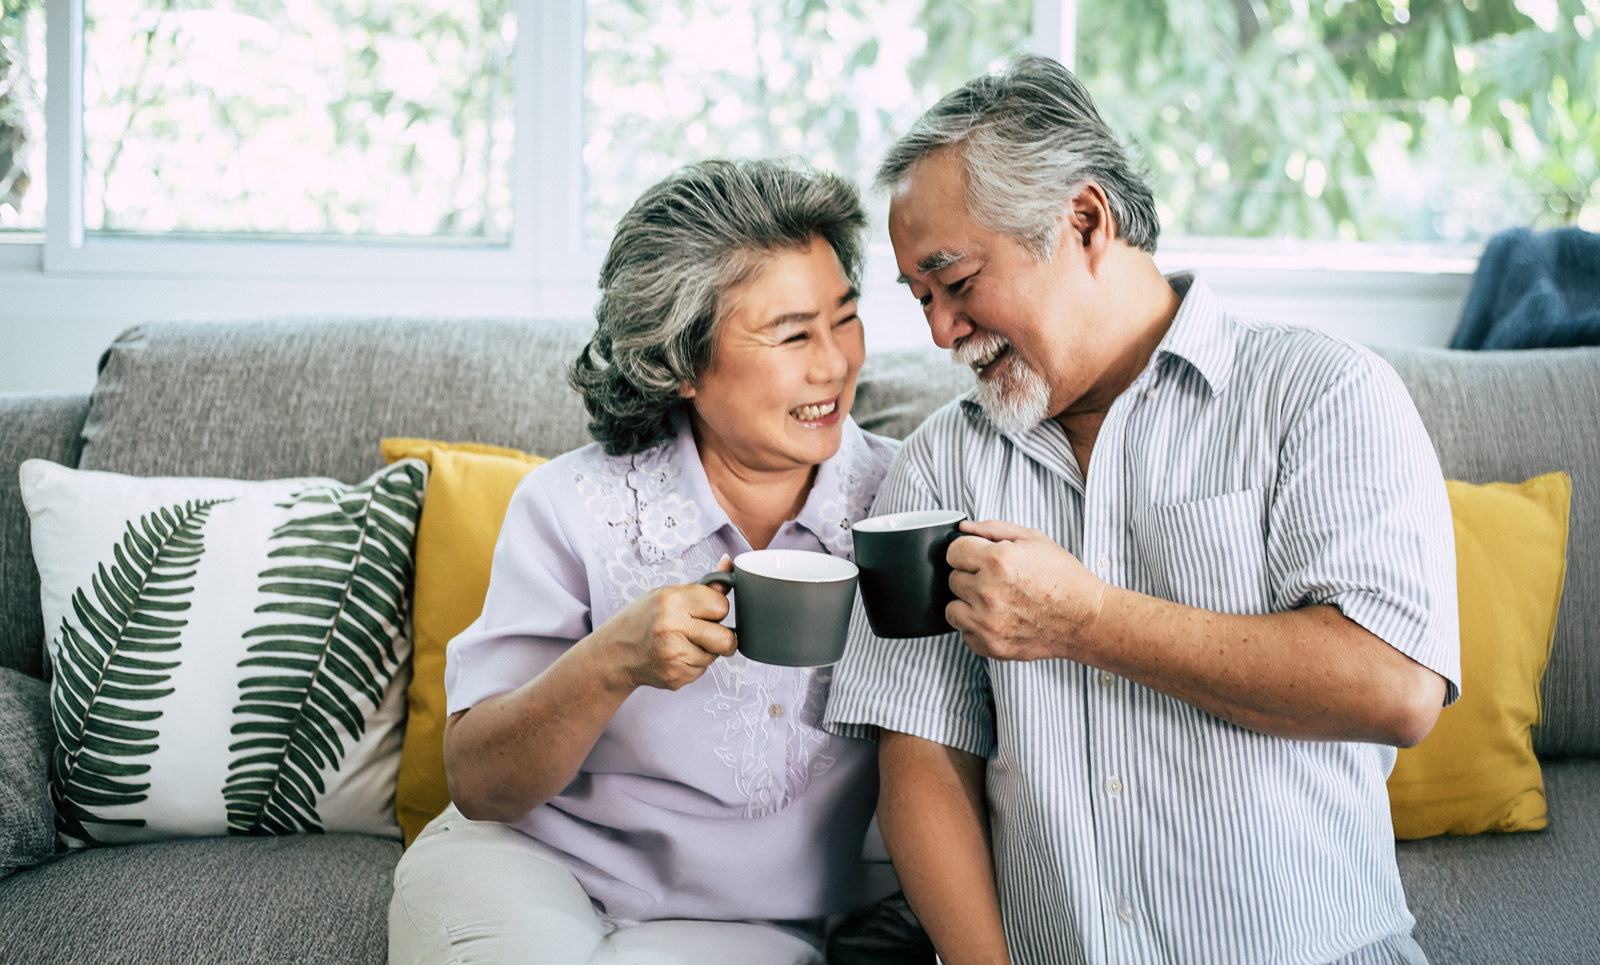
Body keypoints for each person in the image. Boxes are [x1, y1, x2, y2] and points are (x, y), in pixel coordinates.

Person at [823, 55, 1460, 965]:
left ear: (1085, 219)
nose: (939, 332)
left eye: (957, 282)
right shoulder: (941, 462)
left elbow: (1396, 688)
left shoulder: (1320, 394)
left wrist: (1086, 619)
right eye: (921, 299)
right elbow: (923, 756)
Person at [388, 158, 901, 965]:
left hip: (766, 925)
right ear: (682, 361)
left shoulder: (904, 506)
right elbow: (480, 783)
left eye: (845, 318)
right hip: (535, 867)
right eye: (792, 332)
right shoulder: (569, 505)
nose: (834, 363)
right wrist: (611, 661)